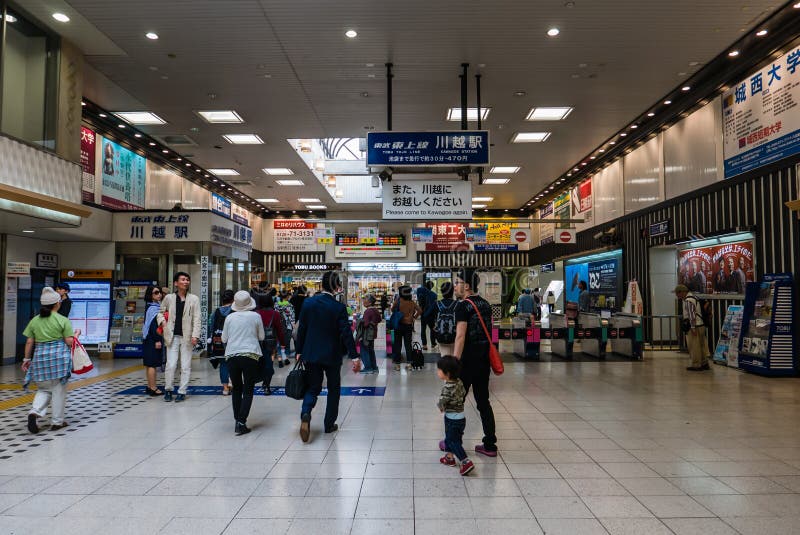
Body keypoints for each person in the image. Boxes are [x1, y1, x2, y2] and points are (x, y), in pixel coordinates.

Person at [295, 271, 360, 442]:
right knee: (333, 389)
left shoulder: (308, 303)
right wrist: (355, 357)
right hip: (332, 354)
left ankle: (306, 413)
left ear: (321, 285)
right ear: (337, 287)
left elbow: (301, 329)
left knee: (312, 387)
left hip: (311, 352)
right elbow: (346, 333)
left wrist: (299, 350)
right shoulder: (338, 307)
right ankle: (329, 424)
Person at [451, 268, 498, 457]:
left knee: (456, 402)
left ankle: (452, 442)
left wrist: (454, 361)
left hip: (467, 361)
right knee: (483, 402)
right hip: (483, 360)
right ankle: (490, 445)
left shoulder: (462, 306)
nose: (455, 285)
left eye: (457, 282)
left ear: (467, 285)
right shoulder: (486, 304)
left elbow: (460, 336)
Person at [21, 287, 78, 433]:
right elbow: (69, 341)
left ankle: (34, 412)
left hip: (40, 359)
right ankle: (57, 422)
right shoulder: (62, 320)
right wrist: (77, 334)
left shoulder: (35, 320)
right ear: (57, 304)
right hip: (58, 360)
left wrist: (26, 359)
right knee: (58, 391)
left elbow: (29, 341)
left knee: (43, 389)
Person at [222, 291, 265, 435]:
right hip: (250, 355)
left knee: (236, 388)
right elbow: (262, 336)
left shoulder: (229, 317)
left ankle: (237, 421)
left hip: (232, 355)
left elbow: (224, 339)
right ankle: (242, 422)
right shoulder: (256, 316)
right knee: (248, 388)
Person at [159, 272, 201, 402]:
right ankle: (168, 389)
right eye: (183, 279)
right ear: (176, 283)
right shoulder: (169, 298)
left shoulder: (194, 299)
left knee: (185, 365)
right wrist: (163, 322)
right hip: (172, 336)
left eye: (187, 280)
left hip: (187, 337)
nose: (186, 282)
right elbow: (160, 312)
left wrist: (195, 335)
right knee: (170, 365)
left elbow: (197, 318)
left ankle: (182, 391)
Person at [436, 355, 475, 476]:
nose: (437, 372)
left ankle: (465, 461)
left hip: (451, 419)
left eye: (439, 370)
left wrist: (441, 408)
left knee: (453, 441)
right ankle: (449, 458)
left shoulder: (447, 387)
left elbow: (442, 401)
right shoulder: (459, 382)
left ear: (447, 373)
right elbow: (463, 393)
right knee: (451, 437)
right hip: (461, 418)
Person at [675, 284, 711, 371]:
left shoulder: (688, 300)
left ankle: (696, 365)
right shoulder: (695, 297)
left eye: (677, 293)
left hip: (695, 326)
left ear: (682, 292)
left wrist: (693, 327)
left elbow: (691, 315)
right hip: (701, 325)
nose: (677, 296)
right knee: (702, 345)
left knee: (695, 346)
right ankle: (704, 363)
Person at [255, 293, 286, 393]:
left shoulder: (256, 313)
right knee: (269, 362)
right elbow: (279, 330)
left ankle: (264, 380)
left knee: (261, 362)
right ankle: (266, 384)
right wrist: (282, 342)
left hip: (257, 342)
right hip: (270, 342)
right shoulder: (275, 314)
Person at [208, 290, 235, 395]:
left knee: (223, 364)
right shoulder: (235, 311)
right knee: (233, 363)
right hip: (232, 341)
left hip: (218, 341)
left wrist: (211, 339)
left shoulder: (216, 311)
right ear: (233, 299)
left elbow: (211, 326)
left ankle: (225, 388)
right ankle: (232, 383)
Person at [391, 285, 422, 371]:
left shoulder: (398, 301)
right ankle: (409, 364)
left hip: (399, 325)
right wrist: (413, 317)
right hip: (408, 325)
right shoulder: (412, 302)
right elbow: (420, 310)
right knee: (408, 345)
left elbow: (392, 309)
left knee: (398, 345)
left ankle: (397, 365)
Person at [142, 285, 164, 396]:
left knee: (149, 364)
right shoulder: (153, 309)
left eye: (159, 292)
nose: (159, 294)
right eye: (156, 293)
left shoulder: (150, 306)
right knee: (152, 365)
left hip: (147, 339)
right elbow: (153, 327)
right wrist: (157, 340)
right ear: (150, 295)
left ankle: (149, 386)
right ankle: (153, 388)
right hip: (152, 340)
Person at [358, 294, 381, 374]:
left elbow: (365, 324)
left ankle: (368, 367)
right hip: (373, 333)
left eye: (365, 300)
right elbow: (379, 319)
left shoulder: (368, 311)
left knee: (364, 350)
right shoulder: (375, 310)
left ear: (370, 302)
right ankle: (374, 367)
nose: (363, 301)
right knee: (371, 350)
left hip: (366, 334)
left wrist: (361, 321)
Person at [434, 281, 458, 357]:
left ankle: (445, 368)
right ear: (453, 291)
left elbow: (428, 315)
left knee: (444, 355)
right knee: (454, 356)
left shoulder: (437, 304)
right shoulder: (458, 304)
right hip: (454, 335)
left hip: (441, 334)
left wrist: (433, 326)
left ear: (442, 291)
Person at [276, 290, 296, 363]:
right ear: (287, 296)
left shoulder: (276, 305)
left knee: (279, 344)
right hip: (288, 327)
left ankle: (279, 359)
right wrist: (294, 327)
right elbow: (292, 318)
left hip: (278, 327)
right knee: (286, 344)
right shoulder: (289, 305)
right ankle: (285, 358)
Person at [417, 281, 438, 350]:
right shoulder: (434, 295)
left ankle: (424, 345)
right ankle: (433, 343)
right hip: (430, 314)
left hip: (423, 314)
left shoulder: (420, 292)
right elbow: (434, 306)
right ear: (431, 287)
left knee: (423, 330)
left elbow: (419, 300)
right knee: (432, 329)